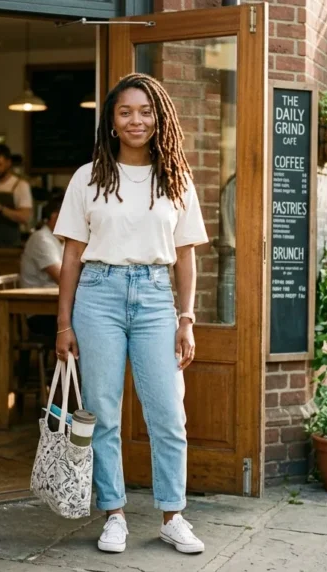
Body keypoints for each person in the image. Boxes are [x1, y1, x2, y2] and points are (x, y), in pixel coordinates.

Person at [54, 73, 209, 555]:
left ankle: (172, 515)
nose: (136, 120)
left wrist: (187, 318)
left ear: (159, 118)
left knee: (167, 411)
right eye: (125, 112)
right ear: (112, 122)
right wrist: (63, 323)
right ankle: (114, 513)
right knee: (101, 412)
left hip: (156, 297)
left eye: (145, 111)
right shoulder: (89, 177)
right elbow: (72, 257)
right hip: (97, 296)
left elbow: (186, 257)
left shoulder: (176, 178)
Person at [20, 196, 64, 338]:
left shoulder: (59, 240)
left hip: (55, 309)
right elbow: (62, 278)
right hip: (40, 313)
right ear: (54, 216)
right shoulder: (42, 238)